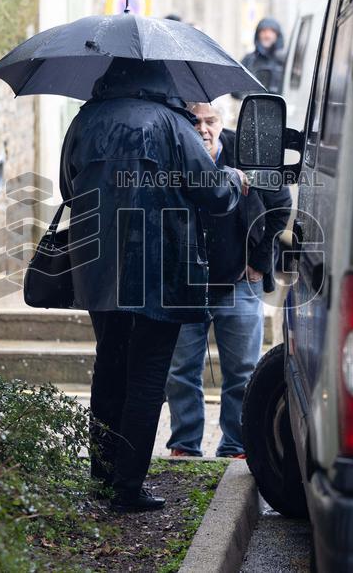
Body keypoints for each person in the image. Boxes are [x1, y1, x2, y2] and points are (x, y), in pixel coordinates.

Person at [59, 59, 247, 512]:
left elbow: (68, 187)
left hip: (99, 267)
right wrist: (235, 181)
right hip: (160, 268)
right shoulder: (172, 123)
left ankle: (101, 479)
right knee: (146, 377)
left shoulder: (86, 119)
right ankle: (126, 488)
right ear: (160, 78)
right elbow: (214, 193)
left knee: (109, 370)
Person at [166, 102, 292, 458]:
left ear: (222, 122)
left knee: (241, 370)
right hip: (185, 285)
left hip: (238, 281)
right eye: (196, 122)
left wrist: (260, 259)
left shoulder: (246, 152)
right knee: (182, 370)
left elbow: (280, 204)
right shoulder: (174, 153)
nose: (203, 129)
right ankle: (185, 444)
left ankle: (236, 444)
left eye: (211, 121)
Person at [239, 17, 286, 95]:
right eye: (264, 31)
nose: (267, 35)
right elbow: (235, 88)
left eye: (271, 31)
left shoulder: (286, 60)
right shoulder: (249, 60)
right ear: (258, 34)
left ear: (277, 35)